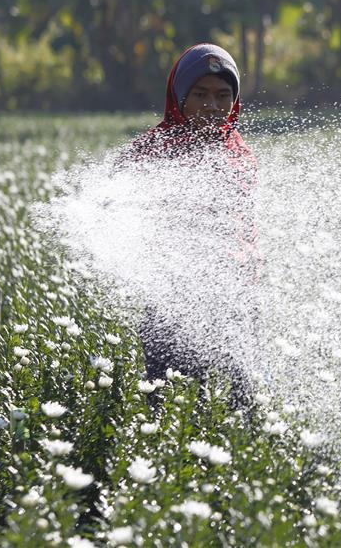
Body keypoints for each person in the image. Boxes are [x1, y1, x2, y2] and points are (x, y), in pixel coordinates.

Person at [115, 43, 260, 410]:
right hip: (168, 298)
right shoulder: (150, 151)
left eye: (223, 95)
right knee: (167, 404)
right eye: (200, 94)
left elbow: (245, 229)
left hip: (233, 297)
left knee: (237, 404)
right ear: (180, 97)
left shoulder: (239, 154)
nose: (213, 105)